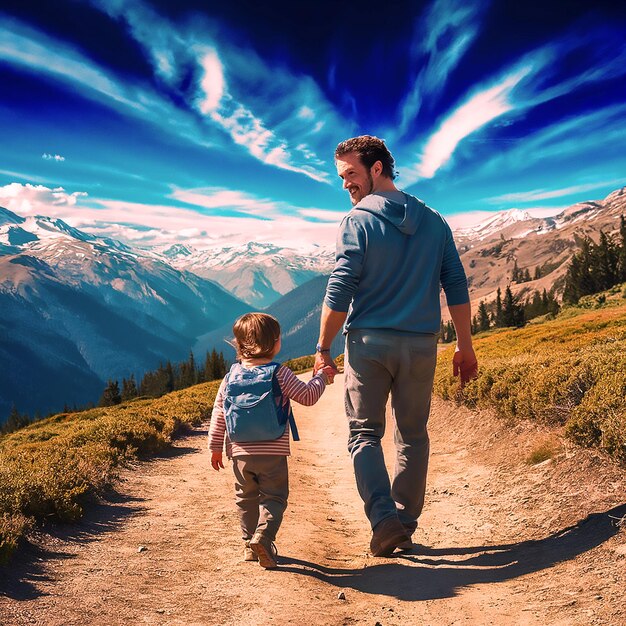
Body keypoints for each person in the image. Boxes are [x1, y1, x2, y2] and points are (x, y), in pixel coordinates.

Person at [313, 135, 477, 557]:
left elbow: (341, 285)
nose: (346, 184)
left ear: (378, 168)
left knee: (364, 434)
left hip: (369, 344)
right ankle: (404, 521)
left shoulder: (356, 221)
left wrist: (323, 348)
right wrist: (464, 345)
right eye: (342, 176)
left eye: (351, 174)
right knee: (413, 435)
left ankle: (385, 521)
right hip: (421, 345)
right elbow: (454, 284)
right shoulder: (434, 221)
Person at [209, 312, 335, 569]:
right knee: (274, 497)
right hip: (273, 450)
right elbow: (308, 396)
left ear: (239, 344)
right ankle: (264, 538)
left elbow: (219, 412)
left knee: (245, 498)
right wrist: (323, 377)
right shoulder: (279, 373)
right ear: (275, 343)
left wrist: (215, 447)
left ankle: (249, 545)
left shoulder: (230, 376)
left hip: (240, 452)